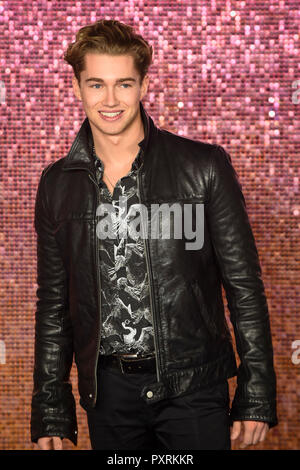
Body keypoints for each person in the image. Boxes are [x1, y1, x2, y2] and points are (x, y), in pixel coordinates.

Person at [30, 19, 278, 451]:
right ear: (77, 88)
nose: (110, 100)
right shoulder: (57, 184)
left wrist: (256, 394)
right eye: (96, 85)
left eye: (123, 84)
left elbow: (244, 289)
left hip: (193, 388)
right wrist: (51, 405)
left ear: (143, 85)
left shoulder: (203, 168)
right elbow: (54, 304)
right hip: (107, 395)